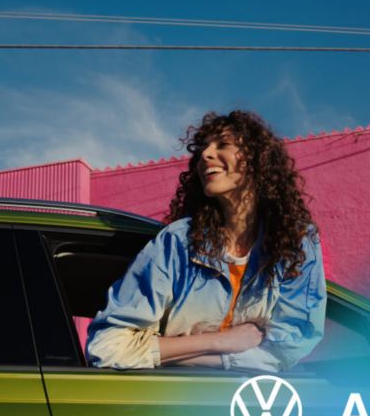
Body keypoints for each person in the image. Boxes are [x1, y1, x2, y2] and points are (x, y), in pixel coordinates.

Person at [85, 110, 326, 372]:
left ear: (258, 160)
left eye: (222, 145)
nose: (205, 155)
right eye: (202, 148)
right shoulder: (177, 243)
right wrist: (222, 342)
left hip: (252, 405)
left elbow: (287, 348)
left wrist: (185, 355)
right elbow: (106, 347)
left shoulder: (295, 243)